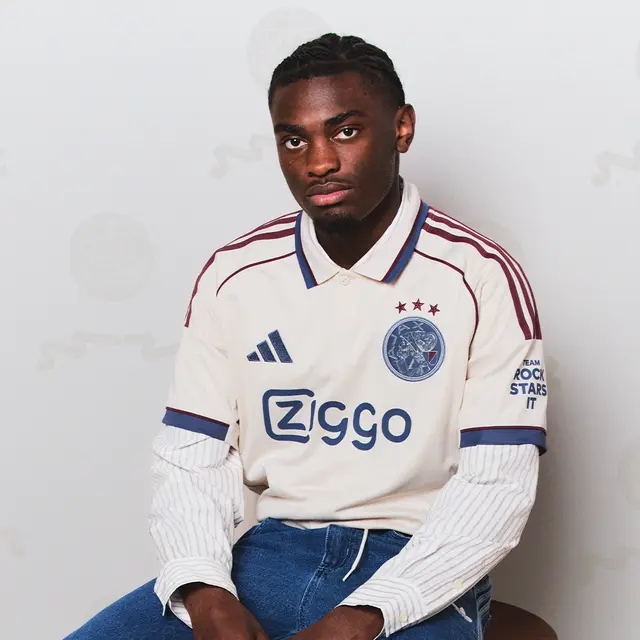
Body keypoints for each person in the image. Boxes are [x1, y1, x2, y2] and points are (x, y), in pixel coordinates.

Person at [65, 32, 547, 640]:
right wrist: (204, 590)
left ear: (402, 128)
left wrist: (370, 613)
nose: (318, 162)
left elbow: (497, 483)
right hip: (269, 556)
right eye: (294, 140)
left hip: (420, 565)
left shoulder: (480, 277)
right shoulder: (235, 275)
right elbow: (191, 456)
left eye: (346, 131)